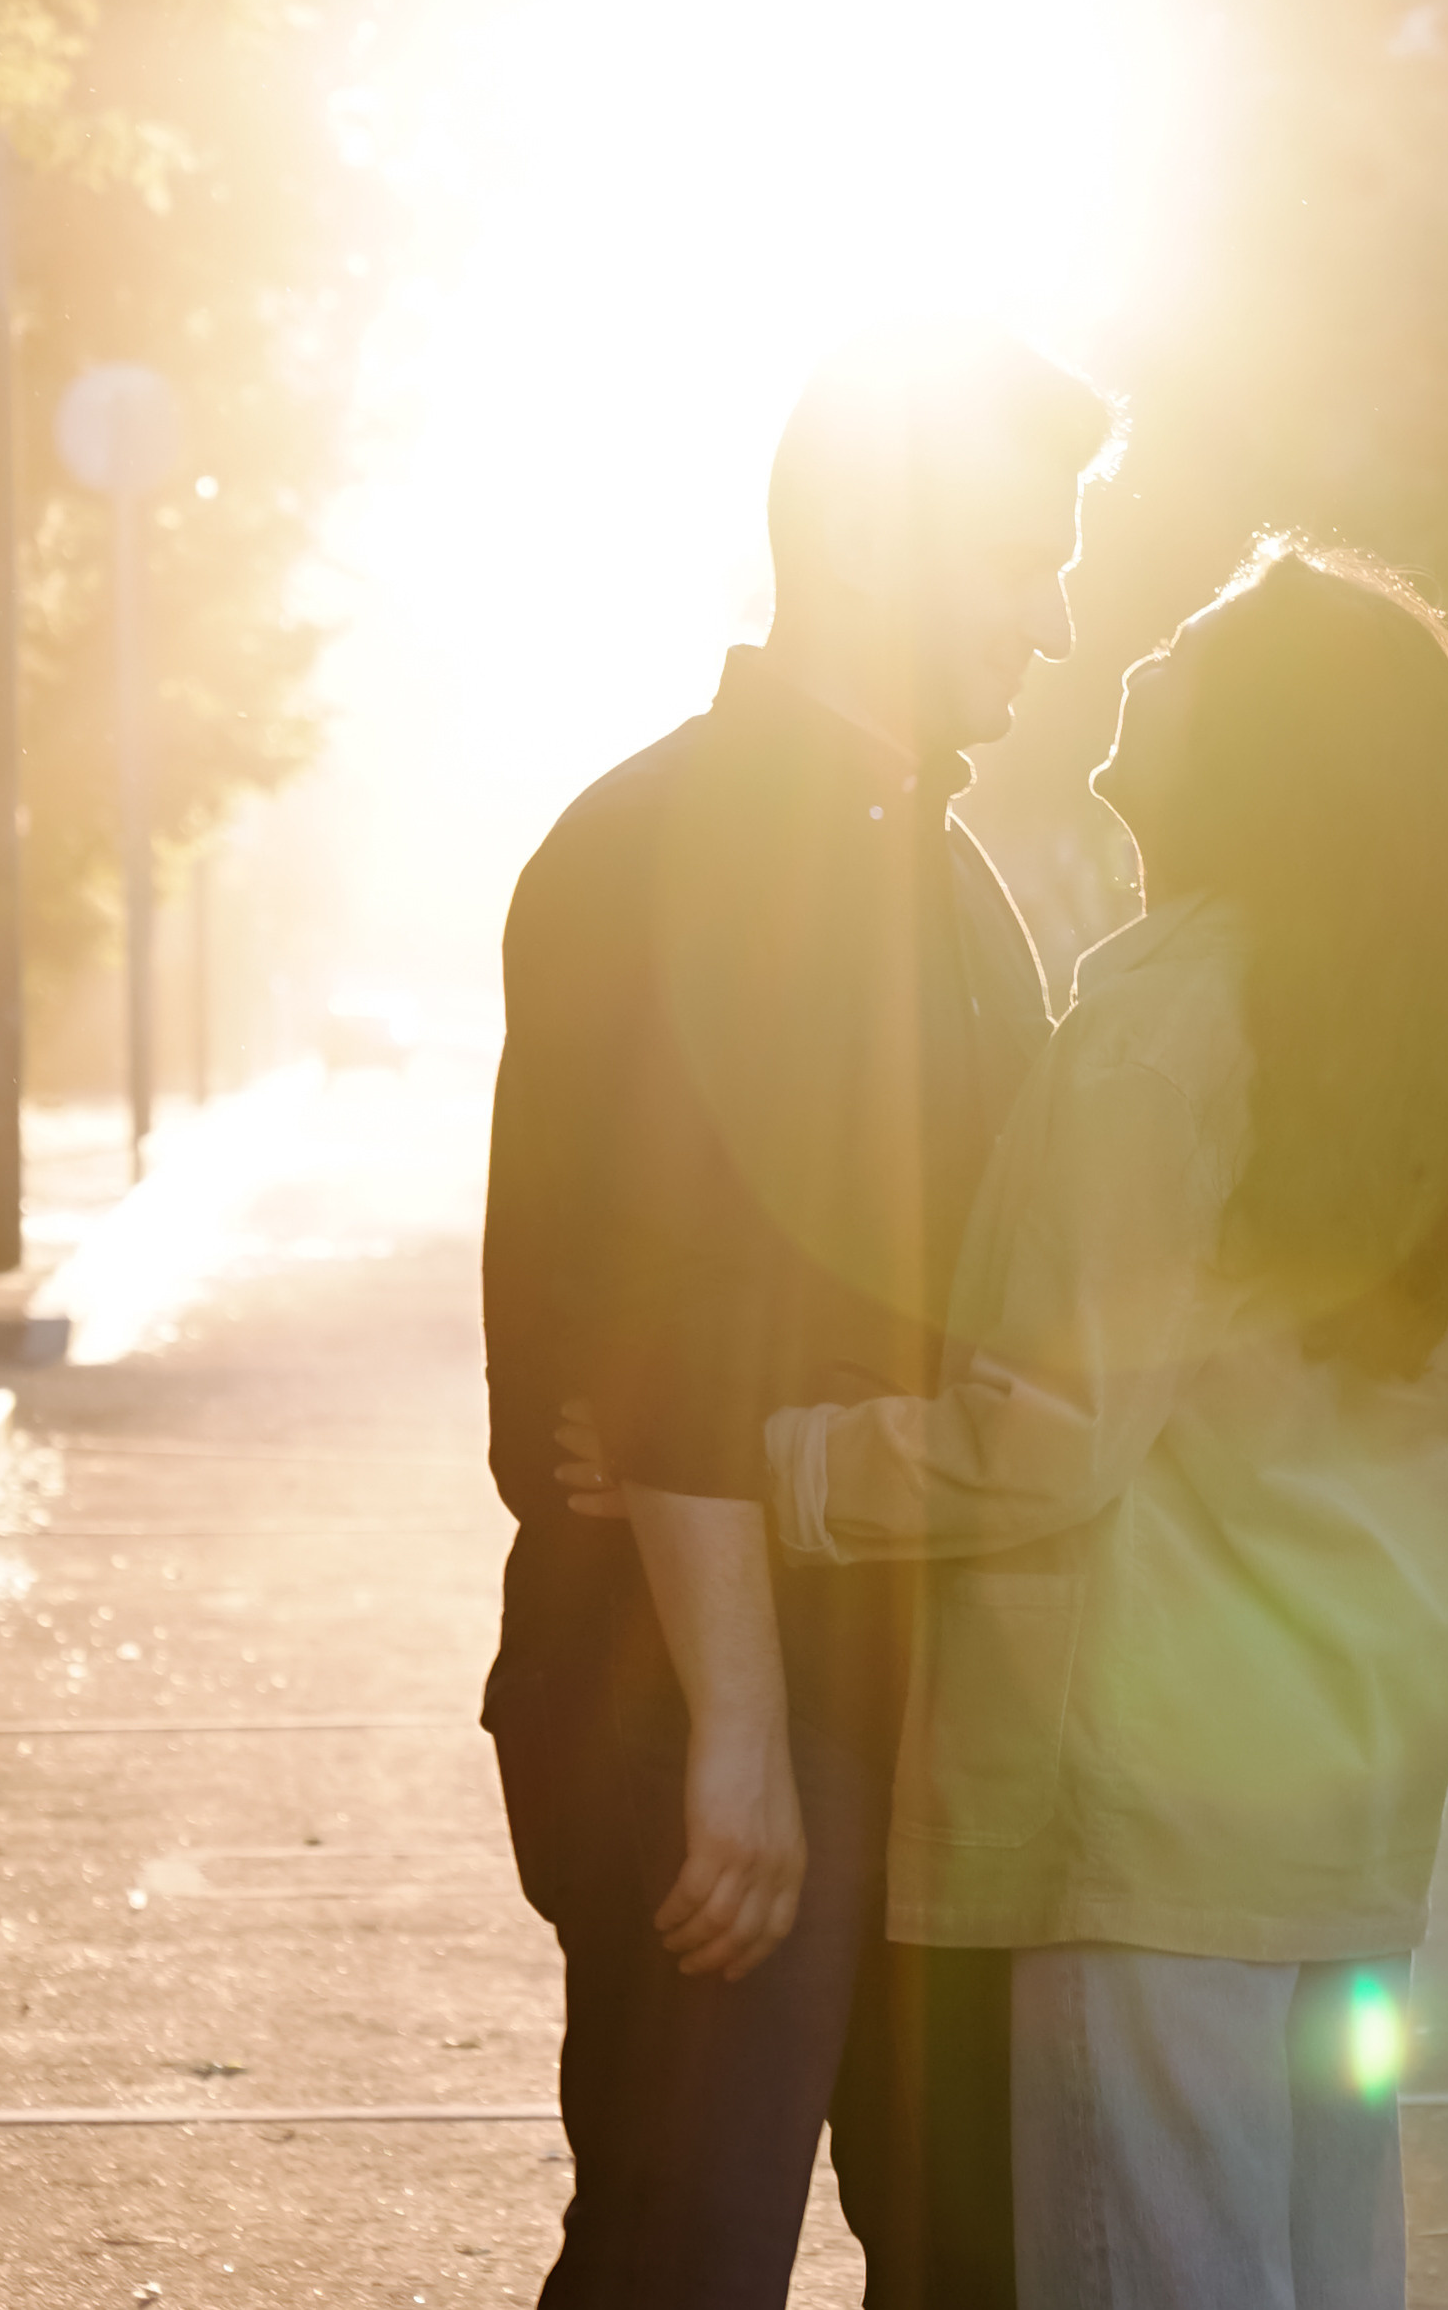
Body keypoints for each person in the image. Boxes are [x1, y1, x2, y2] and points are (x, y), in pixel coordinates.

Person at [736, 539, 1448, 2310]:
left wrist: (775, 1464)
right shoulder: (1374, 1031)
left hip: (1142, 1808)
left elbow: (1041, 1433)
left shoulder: (1161, 1024)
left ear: (1256, 737)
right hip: (1332, 1800)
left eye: (1187, 644)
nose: (1139, 658)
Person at [481, 324, 1118, 2307]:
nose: (1048, 614)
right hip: (712, 1705)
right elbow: (656, 1307)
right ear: (877, 548)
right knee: (685, 2246)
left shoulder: (928, 866)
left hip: (909, 1697)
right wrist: (740, 1731)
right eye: (1018, 556)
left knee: (968, 2254)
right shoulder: (697, 836)